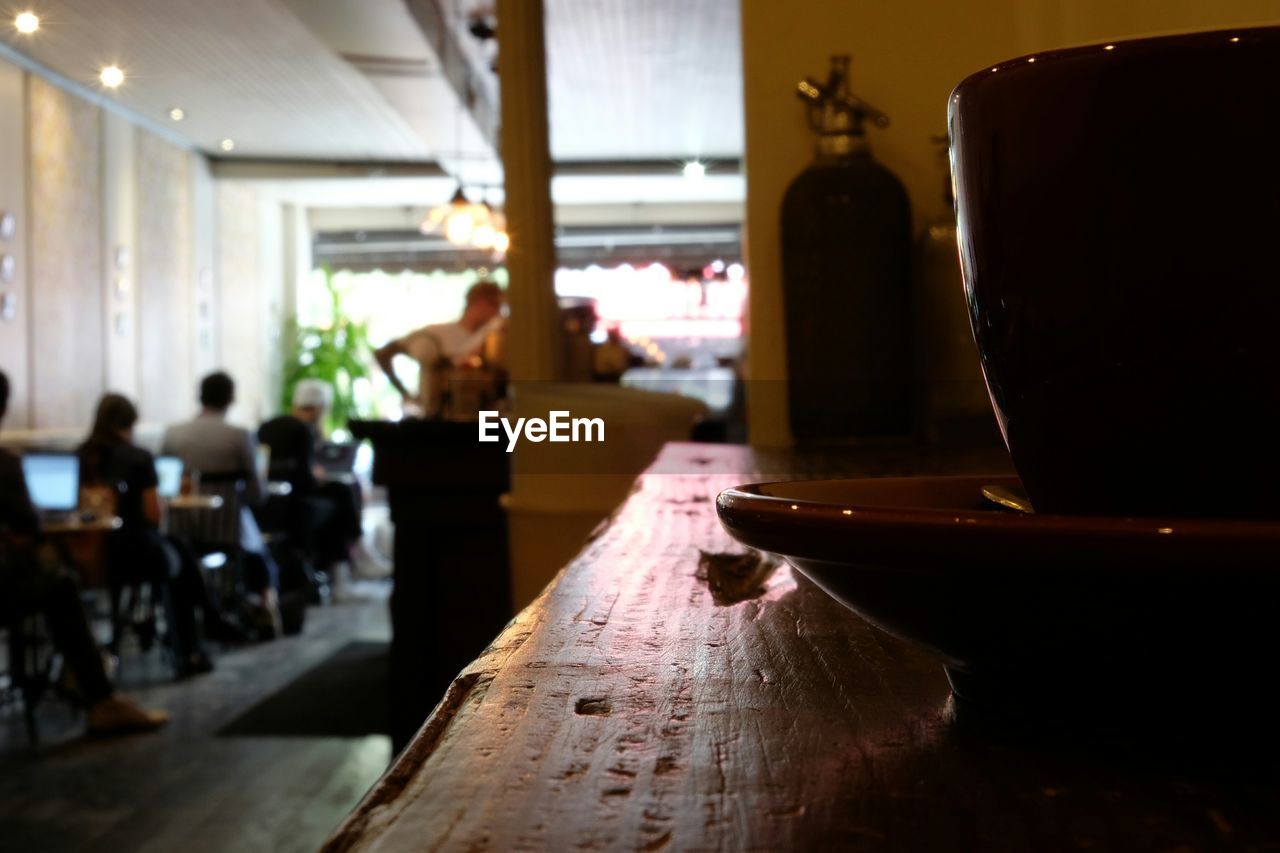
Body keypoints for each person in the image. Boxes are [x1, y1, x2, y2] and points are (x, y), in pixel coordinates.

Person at [0, 370, 168, 735]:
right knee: (61, 586)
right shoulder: (5, 465)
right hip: (125, 552)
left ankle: (80, 670)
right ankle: (97, 694)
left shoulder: (80, 454)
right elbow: (28, 526)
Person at [77, 394, 238, 678]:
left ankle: (209, 621)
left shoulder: (79, 455)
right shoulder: (138, 458)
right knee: (178, 558)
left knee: (178, 548)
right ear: (130, 423)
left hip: (87, 553)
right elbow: (153, 514)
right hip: (132, 552)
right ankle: (192, 645)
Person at [161, 371, 280, 636]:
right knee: (260, 550)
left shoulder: (173, 434)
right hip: (227, 528)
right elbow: (256, 492)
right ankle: (267, 608)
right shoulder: (238, 435)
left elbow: (165, 484)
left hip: (181, 528)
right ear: (230, 399)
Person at [257, 380, 361, 570]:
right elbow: (306, 481)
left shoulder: (267, 426)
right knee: (342, 492)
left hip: (270, 505)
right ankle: (347, 557)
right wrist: (318, 476)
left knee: (338, 491)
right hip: (298, 504)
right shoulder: (303, 430)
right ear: (319, 408)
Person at [374, 280, 504, 416]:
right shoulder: (435, 334)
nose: (498, 312)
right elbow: (384, 353)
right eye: (495, 305)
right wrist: (405, 393)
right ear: (480, 302)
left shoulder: (493, 338)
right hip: (436, 420)